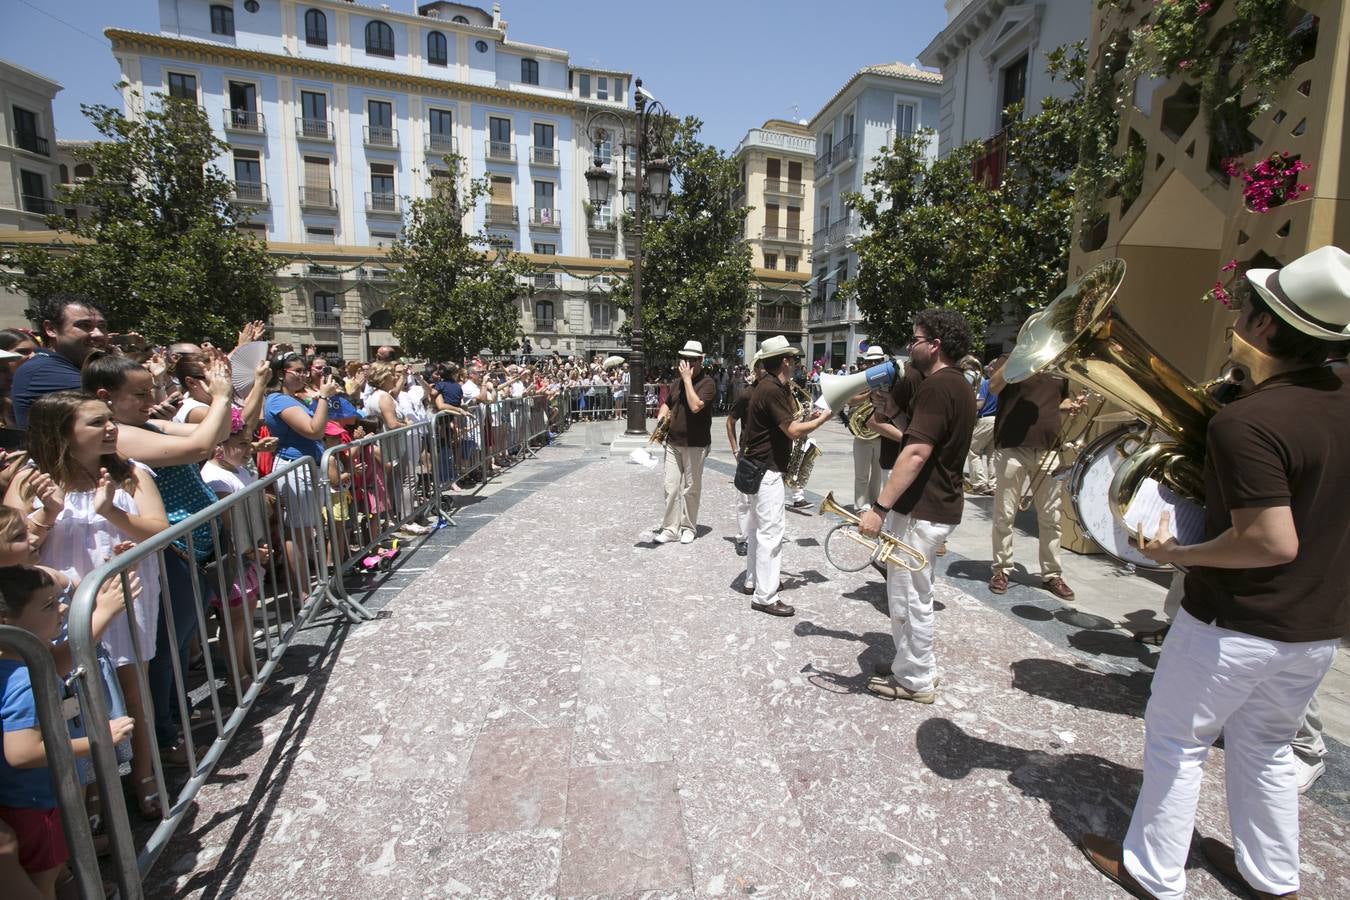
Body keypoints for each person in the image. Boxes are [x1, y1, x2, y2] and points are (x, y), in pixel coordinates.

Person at [1080, 245, 1350, 900]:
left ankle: (1152, 872)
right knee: (1266, 750)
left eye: (1247, 307)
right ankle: (1272, 878)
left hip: (1234, 624)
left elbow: (1269, 540)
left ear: (1264, 328)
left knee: (1177, 741)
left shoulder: (1248, 422)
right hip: (1316, 628)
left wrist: (1180, 556)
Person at [4, 392, 167, 819]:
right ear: (62, 431)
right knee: (72, 697)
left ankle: (145, 777)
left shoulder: (132, 473)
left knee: (134, 688)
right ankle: (91, 794)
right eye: (96, 422)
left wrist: (112, 511)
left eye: (110, 419)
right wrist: (50, 513)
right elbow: (12, 552)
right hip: (57, 606)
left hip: (125, 593)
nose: (111, 428)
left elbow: (159, 530)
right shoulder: (29, 482)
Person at [857, 309, 977, 703]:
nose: (910, 348)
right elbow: (920, 433)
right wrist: (890, 409)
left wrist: (878, 506)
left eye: (916, 340)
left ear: (935, 346)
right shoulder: (953, 385)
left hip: (923, 508)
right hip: (932, 505)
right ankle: (912, 662)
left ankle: (914, 679)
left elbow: (915, 453)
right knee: (911, 592)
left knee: (909, 595)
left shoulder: (938, 387)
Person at [0, 565, 137, 900]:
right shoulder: (22, 682)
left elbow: (54, 662)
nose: (62, 608)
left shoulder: (14, 660)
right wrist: (97, 739)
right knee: (41, 883)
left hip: (22, 799)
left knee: (48, 872)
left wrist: (100, 614)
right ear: (6, 623)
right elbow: (21, 751)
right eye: (48, 606)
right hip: (38, 804)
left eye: (59, 601)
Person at [739, 336, 830, 617]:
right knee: (771, 533)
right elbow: (792, 431)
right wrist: (823, 419)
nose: (795, 364)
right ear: (786, 361)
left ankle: (753, 581)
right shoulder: (771, 389)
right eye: (793, 359)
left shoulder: (768, 386)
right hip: (766, 469)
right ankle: (765, 596)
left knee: (756, 530)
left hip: (756, 466)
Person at [985, 334, 1079, 600]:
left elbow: (1057, 403)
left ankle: (1052, 574)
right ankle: (1001, 569)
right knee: (1005, 514)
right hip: (1013, 446)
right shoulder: (1011, 360)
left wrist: (1071, 407)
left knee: (1052, 517)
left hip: (1049, 448)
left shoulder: (1059, 367)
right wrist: (1017, 356)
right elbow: (993, 386)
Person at [650, 341, 717, 545]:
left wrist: (687, 380)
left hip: (695, 444)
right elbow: (667, 404)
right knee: (670, 487)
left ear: (700, 360)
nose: (687, 363)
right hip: (673, 442)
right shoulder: (676, 383)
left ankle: (688, 527)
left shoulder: (708, 383)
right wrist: (662, 418)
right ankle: (670, 528)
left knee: (691, 488)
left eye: (692, 360)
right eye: (684, 359)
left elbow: (696, 406)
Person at [10, 295, 108, 429]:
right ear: (51, 329)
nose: (99, 334)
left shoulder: (80, 367)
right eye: (85, 325)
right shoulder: (42, 371)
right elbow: (123, 403)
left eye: (102, 326)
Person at [725, 362, 762, 557]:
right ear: (756, 370)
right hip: (748, 454)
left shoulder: (779, 392)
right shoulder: (747, 394)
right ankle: (742, 538)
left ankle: (759, 537)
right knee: (744, 500)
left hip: (769, 457)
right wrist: (735, 450)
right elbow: (730, 421)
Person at [850, 346, 888, 511]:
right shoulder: (860, 379)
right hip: (862, 434)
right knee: (861, 474)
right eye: (871, 361)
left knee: (878, 474)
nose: (874, 363)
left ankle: (874, 503)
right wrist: (869, 394)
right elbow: (850, 400)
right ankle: (860, 505)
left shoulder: (888, 379)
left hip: (880, 433)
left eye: (877, 361)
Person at [963, 355, 998, 494]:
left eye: (990, 366)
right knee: (992, 454)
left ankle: (979, 483)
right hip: (998, 420)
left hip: (985, 419)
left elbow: (979, 404)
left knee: (972, 449)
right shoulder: (1004, 386)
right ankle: (994, 485)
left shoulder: (986, 383)